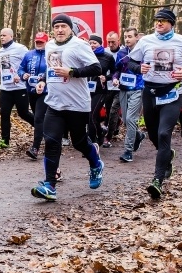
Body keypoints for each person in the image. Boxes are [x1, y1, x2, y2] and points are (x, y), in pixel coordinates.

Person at [127, 9, 182, 200]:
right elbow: (131, 63)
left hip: (172, 92)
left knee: (163, 133)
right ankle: (167, 155)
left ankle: (157, 180)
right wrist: (139, 68)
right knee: (153, 134)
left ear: (172, 23)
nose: (159, 23)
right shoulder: (145, 41)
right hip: (150, 92)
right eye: (157, 20)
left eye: (163, 21)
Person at [31, 14, 104, 202]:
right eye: (56, 27)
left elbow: (97, 68)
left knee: (79, 142)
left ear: (70, 28)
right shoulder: (49, 46)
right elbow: (52, 69)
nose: (60, 30)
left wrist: (73, 72)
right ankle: (50, 186)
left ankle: (96, 164)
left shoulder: (79, 45)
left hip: (77, 105)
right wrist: (43, 81)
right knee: (51, 141)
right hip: (54, 103)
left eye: (63, 26)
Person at [0, 28, 34, 149]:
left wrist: (21, 75)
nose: (2, 37)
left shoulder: (20, 48)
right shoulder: (0, 51)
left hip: (19, 87)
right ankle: (5, 140)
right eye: (0, 35)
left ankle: (42, 129)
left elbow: (29, 62)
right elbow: (1, 65)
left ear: (11, 36)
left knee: (23, 113)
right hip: (5, 88)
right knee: (4, 114)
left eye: (4, 35)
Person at [112, 27, 145, 163]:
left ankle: (128, 151)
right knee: (126, 120)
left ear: (137, 37)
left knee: (131, 119)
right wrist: (115, 78)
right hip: (123, 89)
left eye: (130, 36)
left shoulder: (143, 52)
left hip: (138, 88)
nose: (127, 39)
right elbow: (117, 69)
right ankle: (138, 135)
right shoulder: (121, 53)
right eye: (125, 36)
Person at [19, 32, 49, 159]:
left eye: (41, 42)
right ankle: (48, 138)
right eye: (37, 41)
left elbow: (53, 70)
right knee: (40, 119)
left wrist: (44, 80)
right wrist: (23, 75)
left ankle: (35, 147)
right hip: (31, 91)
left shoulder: (50, 55)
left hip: (46, 91)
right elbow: (20, 68)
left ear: (46, 42)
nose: (39, 44)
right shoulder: (29, 54)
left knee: (38, 118)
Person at [86, 34, 115, 147]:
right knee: (93, 117)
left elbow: (114, 72)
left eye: (94, 43)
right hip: (86, 90)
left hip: (100, 91)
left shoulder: (107, 56)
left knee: (91, 115)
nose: (92, 45)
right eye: (90, 43)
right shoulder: (85, 55)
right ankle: (101, 131)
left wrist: (106, 77)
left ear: (100, 44)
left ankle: (91, 143)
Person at [103, 31, 122, 146]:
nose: (110, 44)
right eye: (108, 42)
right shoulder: (104, 52)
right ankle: (116, 123)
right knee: (109, 111)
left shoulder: (123, 52)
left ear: (118, 41)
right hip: (107, 87)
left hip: (120, 87)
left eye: (113, 42)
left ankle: (108, 137)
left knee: (114, 110)